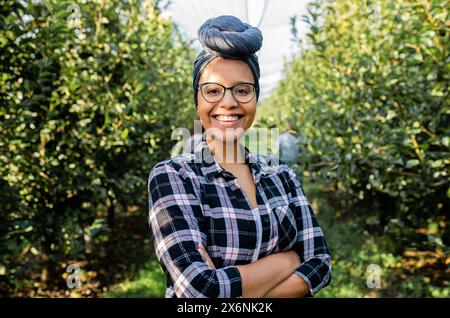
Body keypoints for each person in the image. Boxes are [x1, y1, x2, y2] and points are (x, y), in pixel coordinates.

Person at [148, 15, 331, 298]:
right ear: (197, 99)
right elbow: (199, 290)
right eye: (213, 91)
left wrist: (232, 288)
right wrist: (289, 261)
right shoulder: (173, 176)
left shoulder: (280, 174)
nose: (229, 102)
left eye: (243, 90)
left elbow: (320, 264)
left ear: (256, 97)